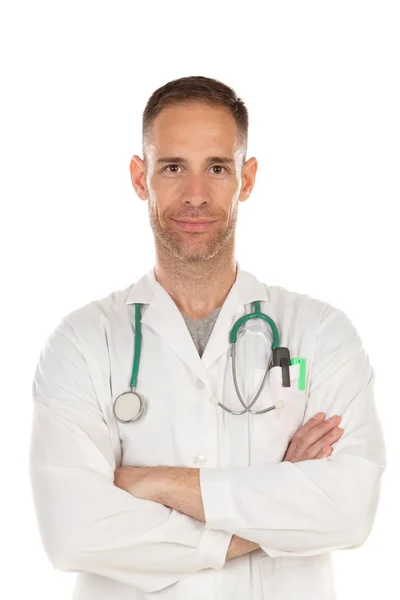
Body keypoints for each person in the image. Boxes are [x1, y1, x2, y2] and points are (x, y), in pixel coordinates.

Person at [29, 75, 386, 600]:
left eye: (217, 168)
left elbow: (350, 509)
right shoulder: (82, 342)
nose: (195, 195)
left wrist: (157, 482)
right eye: (173, 167)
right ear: (138, 176)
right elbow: (73, 531)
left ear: (247, 178)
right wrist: (278, 508)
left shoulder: (321, 333)